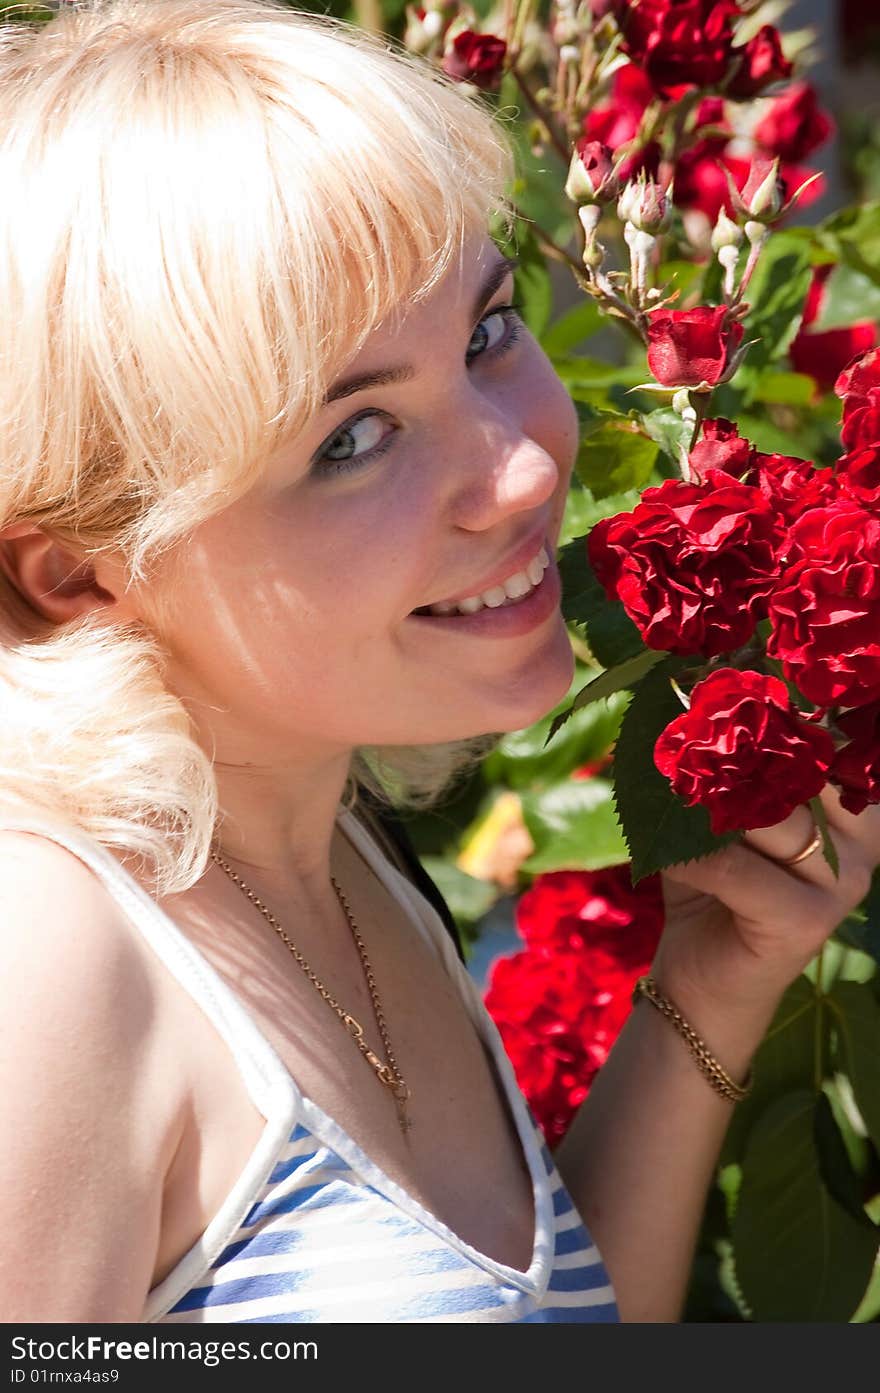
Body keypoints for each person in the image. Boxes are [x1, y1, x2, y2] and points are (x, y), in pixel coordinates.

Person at [0, 0, 875, 1326]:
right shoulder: (55, 962)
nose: (523, 468)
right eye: (353, 438)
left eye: (484, 330)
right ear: (79, 568)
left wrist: (708, 980)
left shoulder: (338, 844)